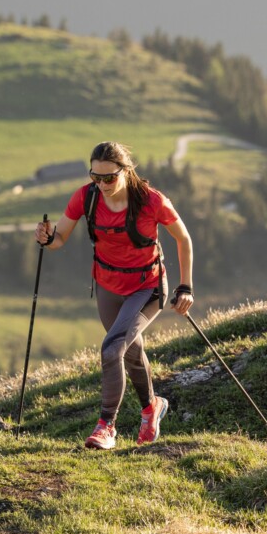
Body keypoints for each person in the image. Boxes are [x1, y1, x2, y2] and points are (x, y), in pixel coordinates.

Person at [35, 141, 194, 449]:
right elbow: (60, 238)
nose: (102, 184)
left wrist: (185, 287)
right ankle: (152, 408)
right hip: (107, 286)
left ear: (126, 171)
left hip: (145, 287)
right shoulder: (86, 197)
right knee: (129, 349)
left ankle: (106, 426)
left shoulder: (151, 201)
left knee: (111, 349)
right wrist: (47, 237)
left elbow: (183, 239)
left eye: (109, 178)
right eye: (96, 177)